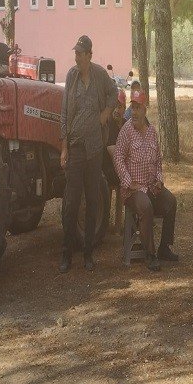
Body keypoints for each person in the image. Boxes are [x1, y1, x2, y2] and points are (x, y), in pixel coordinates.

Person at [59, 34, 118, 273]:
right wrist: (64, 147)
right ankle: (66, 252)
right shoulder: (71, 77)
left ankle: (88, 253)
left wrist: (106, 112)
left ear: (89, 55)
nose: (77, 57)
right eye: (76, 53)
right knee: (71, 202)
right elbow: (64, 114)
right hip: (75, 148)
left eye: (81, 53)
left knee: (92, 200)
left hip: (94, 149)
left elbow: (114, 92)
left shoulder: (99, 75)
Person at [113, 89, 178, 271]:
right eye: (132, 107)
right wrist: (128, 182)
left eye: (137, 108)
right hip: (133, 191)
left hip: (151, 187)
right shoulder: (126, 131)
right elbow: (118, 158)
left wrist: (159, 179)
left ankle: (164, 246)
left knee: (171, 202)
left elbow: (158, 160)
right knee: (146, 206)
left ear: (144, 109)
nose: (133, 112)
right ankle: (150, 254)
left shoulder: (151, 132)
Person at [103, 89, 127, 188]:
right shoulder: (109, 124)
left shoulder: (127, 124)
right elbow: (114, 154)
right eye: (115, 106)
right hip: (108, 166)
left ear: (125, 108)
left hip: (123, 163)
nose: (117, 110)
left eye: (120, 107)